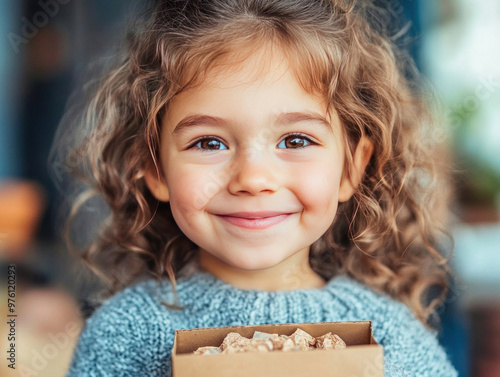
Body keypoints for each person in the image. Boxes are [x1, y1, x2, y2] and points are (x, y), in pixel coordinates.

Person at [54, 0, 458, 375]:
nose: (253, 179)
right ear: (154, 169)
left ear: (351, 168)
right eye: (209, 143)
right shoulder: (125, 334)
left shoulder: (392, 337)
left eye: (295, 141)